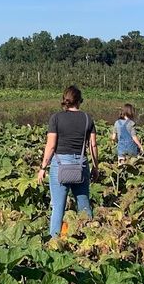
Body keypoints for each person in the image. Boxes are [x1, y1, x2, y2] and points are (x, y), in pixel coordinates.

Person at [38, 85, 99, 239]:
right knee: (84, 203)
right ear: (79, 101)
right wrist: (96, 166)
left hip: (60, 164)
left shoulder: (56, 118)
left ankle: (54, 241)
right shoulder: (87, 118)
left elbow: (51, 145)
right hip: (80, 164)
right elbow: (93, 145)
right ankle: (89, 237)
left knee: (58, 206)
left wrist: (43, 167)